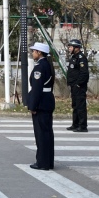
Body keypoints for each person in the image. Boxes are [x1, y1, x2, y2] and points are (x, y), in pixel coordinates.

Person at [28, 42, 55, 170]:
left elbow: (37, 89)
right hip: (47, 100)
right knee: (47, 133)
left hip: (41, 103)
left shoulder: (39, 67)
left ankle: (42, 162)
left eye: (34, 51)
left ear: (39, 52)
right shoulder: (47, 64)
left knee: (41, 134)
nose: (33, 53)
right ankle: (48, 161)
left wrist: (33, 106)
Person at [65, 38, 90, 132]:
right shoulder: (74, 57)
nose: (69, 48)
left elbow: (84, 73)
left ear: (77, 48)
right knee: (75, 106)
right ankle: (75, 124)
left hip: (79, 87)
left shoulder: (81, 58)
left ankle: (82, 126)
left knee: (80, 106)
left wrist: (78, 84)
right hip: (74, 86)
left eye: (71, 47)